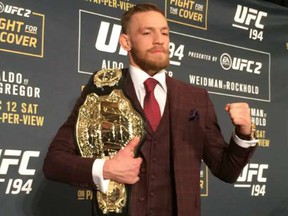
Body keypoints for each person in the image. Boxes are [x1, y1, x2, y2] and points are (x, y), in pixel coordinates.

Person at [43, 3, 258, 216]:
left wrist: (243, 133)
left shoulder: (195, 98)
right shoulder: (102, 88)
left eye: (165, 33)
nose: (159, 40)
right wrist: (106, 169)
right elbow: (54, 163)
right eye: (147, 33)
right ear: (126, 42)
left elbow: (226, 170)